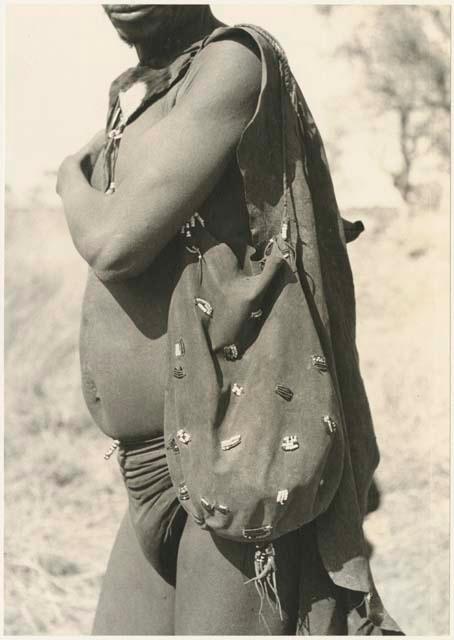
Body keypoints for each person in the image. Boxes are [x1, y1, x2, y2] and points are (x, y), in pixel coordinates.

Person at [56, 5, 402, 635]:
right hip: (150, 468)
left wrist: (65, 179)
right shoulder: (143, 94)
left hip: (228, 456)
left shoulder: (232, 62)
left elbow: (114, 243)